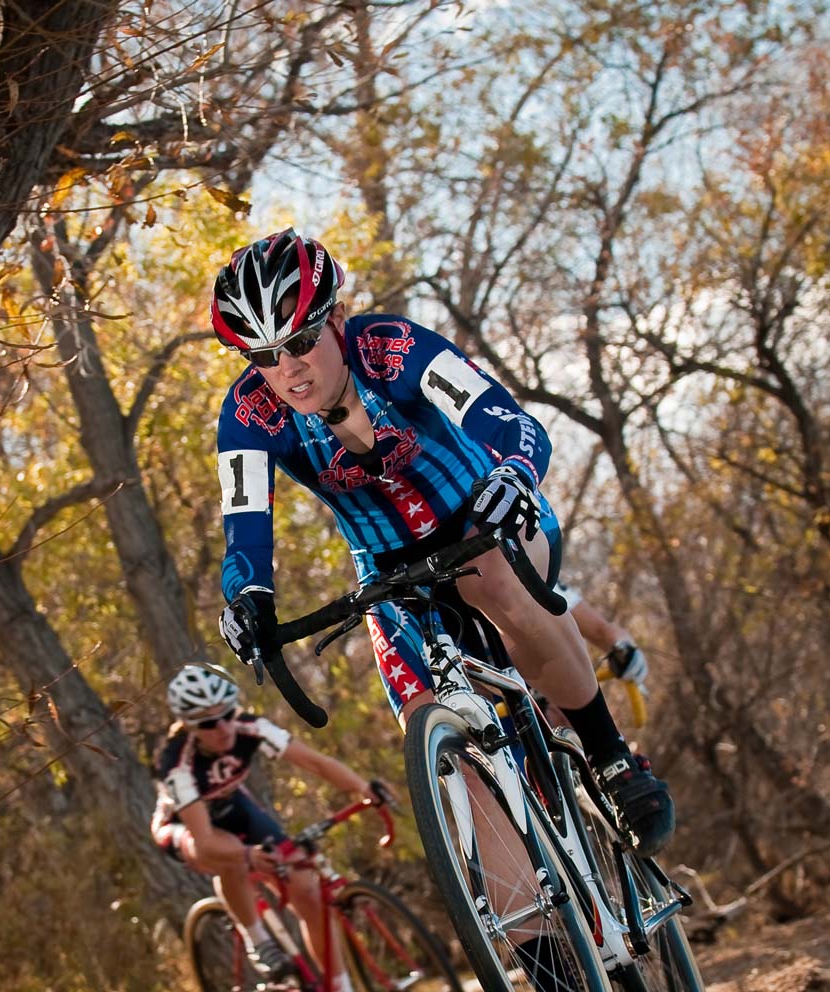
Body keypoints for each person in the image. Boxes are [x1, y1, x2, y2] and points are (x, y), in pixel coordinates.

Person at [210, 228, 674, 856]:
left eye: (299, 342)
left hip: (485, 513)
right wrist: (248, 598)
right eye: (262, 356)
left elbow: (510, 421)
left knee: (490, 577)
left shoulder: (394, 351)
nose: (286, 370)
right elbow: (245, 528)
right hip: (387, 568)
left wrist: (513, 472)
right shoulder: (247, 415)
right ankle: (536, 947)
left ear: (337, 320)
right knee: (435, 741)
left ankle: (610, 756)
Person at [151, 662, 384, 992]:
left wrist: (363, 788)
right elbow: (206, 840)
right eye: (209, 724)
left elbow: (315, 763)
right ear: (190, 726)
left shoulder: (251, 727)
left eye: (227, 715)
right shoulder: (177, 763)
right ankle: (258, 940)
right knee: (230, 856)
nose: (223, 728)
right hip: (185, 827)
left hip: (233, 806)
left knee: (305, 888)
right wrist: (247, 854)